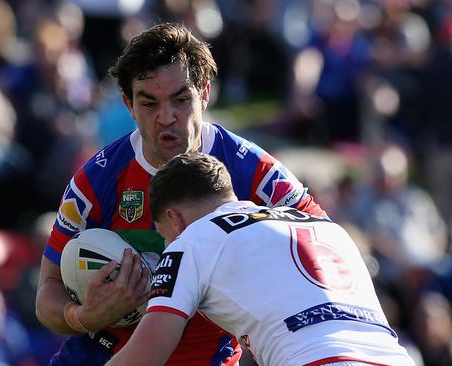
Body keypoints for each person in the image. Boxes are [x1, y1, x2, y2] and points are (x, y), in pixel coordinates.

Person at [35, 22, 326, 366]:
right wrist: (83, 317)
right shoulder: (95, 181)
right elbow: (47, 294)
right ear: (128, 104)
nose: (166, 117)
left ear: (204, 94)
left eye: (180, 99)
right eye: (149, 104)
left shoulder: (253, 171)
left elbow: (325, 247)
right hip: (103, 350)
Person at [107, 152, 415, 366]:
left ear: (175, 219)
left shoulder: (192, 239)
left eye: (165, 235)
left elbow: (146, 354)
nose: (169, 243)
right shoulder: (329, 227)